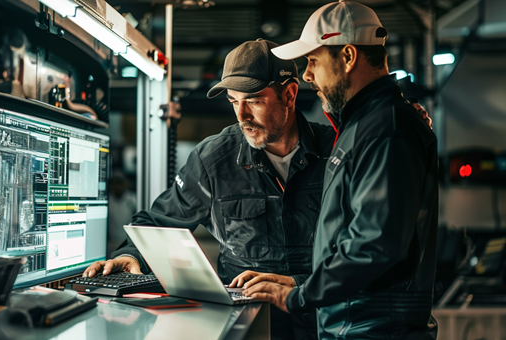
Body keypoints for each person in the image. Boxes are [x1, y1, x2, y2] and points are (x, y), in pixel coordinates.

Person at [84, 39, 337, 340]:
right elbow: (158, 222)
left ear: (290, 94)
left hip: (328, 323)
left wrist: (300, 283)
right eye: (233, 101)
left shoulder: (335, 152)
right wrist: (131, 253)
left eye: (254, 100)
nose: (242, 115)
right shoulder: (214, 161)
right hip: (252, 328)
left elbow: (362, 248)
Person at [243, 2, 439, 339]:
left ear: (348, 57)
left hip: (374, 331)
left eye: (313, 61)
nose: (306, 75)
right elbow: (354, 240)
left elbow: (374, 246)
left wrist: (299, 296)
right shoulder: (364, 125)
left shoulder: (386, 130)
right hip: (358, 326)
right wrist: (302, 282)